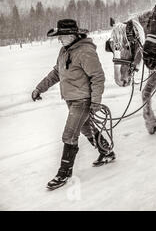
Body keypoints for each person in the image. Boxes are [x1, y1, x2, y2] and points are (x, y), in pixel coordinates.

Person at [31, 19, 115, 190]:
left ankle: (64, 172)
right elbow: (57, 73)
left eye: (61, 36)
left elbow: (97, 77)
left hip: (82, 100)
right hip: (71, 99)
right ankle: (106, 152)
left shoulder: (85, 51)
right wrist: (39, 88)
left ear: (71, 35)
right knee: (85, 128)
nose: (58, 40)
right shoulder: (65, 50)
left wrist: (96, 101)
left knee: (69, 134)